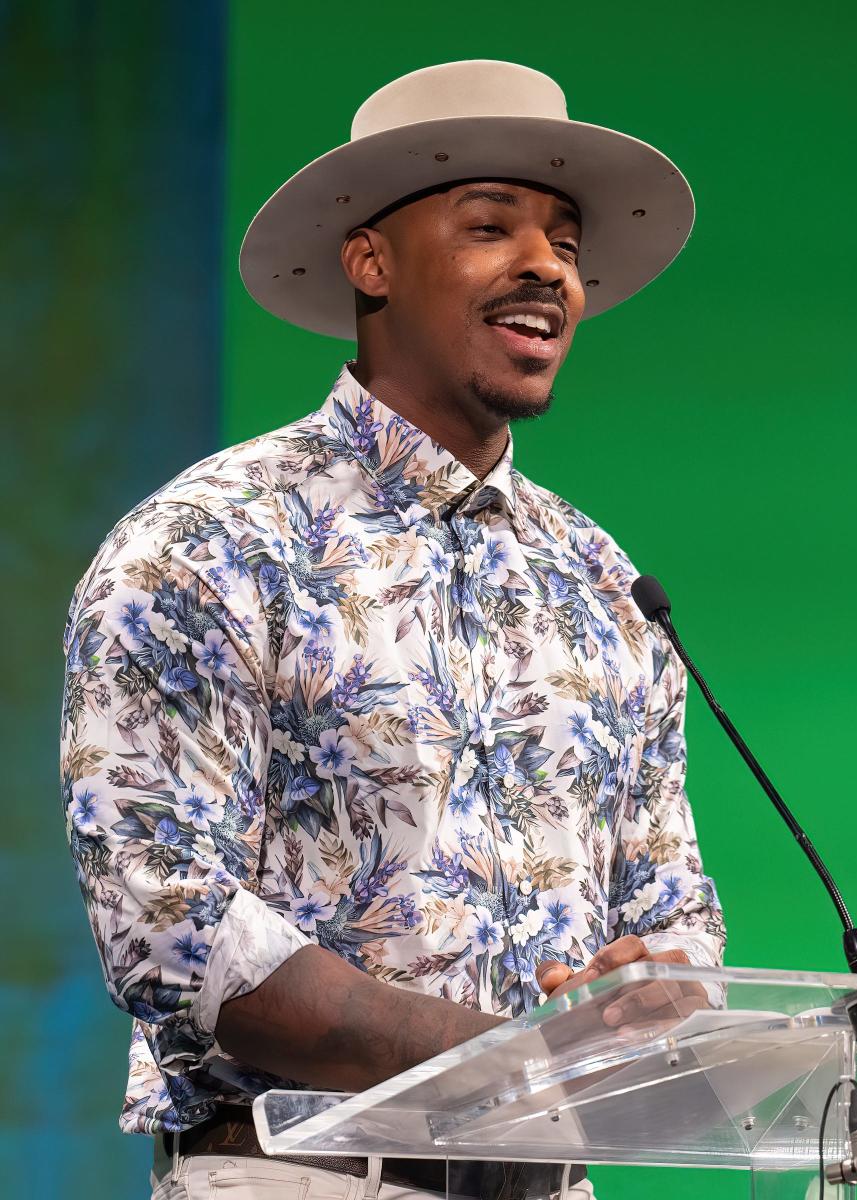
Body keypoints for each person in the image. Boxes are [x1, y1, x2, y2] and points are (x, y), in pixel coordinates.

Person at [60, 59, 725, 1200]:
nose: (547, 267)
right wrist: (506, 1060)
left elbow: (675, 913)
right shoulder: (210, 543)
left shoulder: (603, 582)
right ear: (369, 261)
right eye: (489, 225)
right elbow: (170, 928)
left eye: (565, 240)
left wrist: (664, 994)